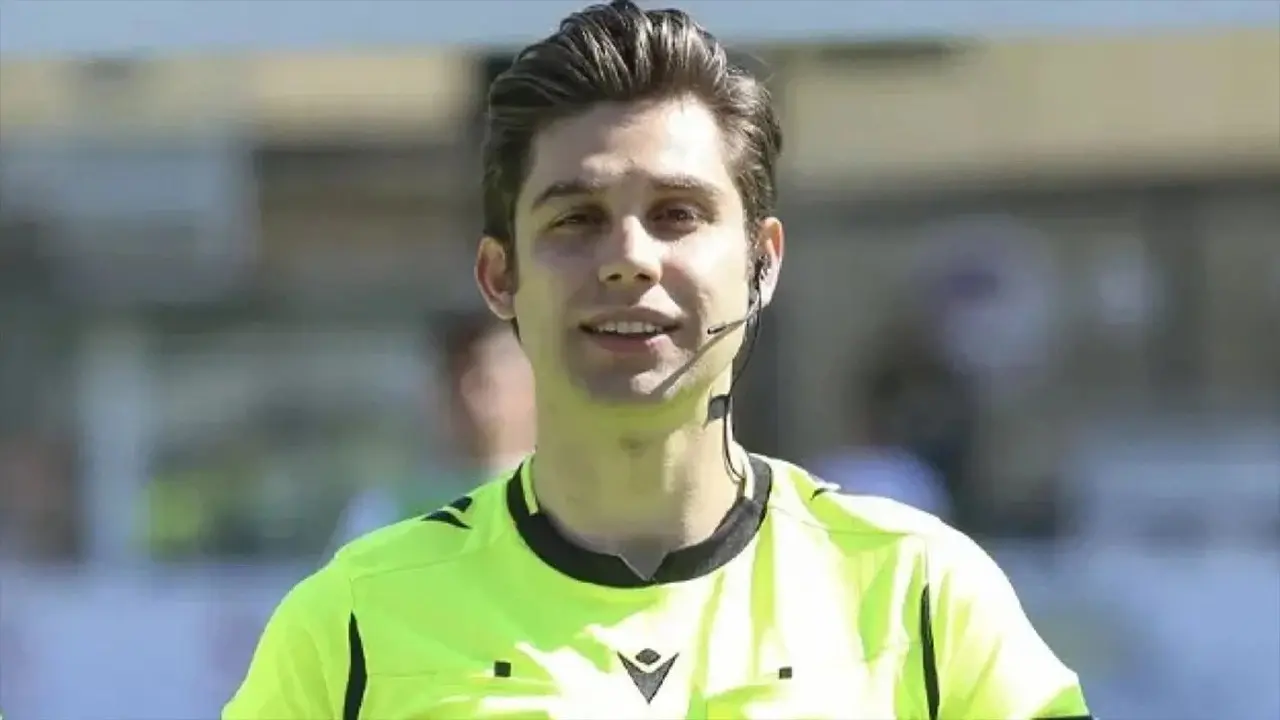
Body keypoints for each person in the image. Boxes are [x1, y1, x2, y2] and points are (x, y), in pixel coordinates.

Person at [223, 3, 1093, 718]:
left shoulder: (921, 594)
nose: (629, 258)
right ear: (500, 277)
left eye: (678, 213)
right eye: (576, 219)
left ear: (762, 264)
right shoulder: (354, 621)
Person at [328, 311, 535, 548]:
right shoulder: (386, 511)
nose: (465, 395)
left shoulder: (562, 505)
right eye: (453, 378)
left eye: (484, 380)